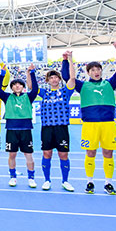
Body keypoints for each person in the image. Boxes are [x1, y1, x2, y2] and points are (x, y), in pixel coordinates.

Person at [62, 44, 116, 195]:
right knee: (91, 153)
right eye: (93, 70)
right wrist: (66, 60)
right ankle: (90, 182)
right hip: (89, 125)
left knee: (108, 153)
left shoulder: (109, 84)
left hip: (108, 124)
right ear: (88, 72)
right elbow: (68, 77)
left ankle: (108, 183)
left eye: (98, 69)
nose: (96, 72)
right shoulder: (83, 86)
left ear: (101, 71)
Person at [0, 65, 39, 188]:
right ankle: (13, 177)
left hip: (26, 130)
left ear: (23, 87)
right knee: (12, 155)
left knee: (28, 155)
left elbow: (35, 89)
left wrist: (32, 72)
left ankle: (31, 178)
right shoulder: (7, 97)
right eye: (14, 85)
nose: (17, 86)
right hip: (11, 130)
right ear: (12, 87)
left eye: (20, 84)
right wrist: (2, 74)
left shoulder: (29, 97)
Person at [37, 62, 75, 191]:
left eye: (56, 77)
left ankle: (65, 181)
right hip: (47, 128)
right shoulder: (44, 93)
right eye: (51, 78)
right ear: (47, 81)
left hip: (61, 127)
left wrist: (69, 59)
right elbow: (31, 86)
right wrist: (30, 72)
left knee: (63, 155)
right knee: (47, 153)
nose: (54, 79)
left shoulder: (65, 92)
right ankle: (47, 180)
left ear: (59, 79)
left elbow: (72, 78)